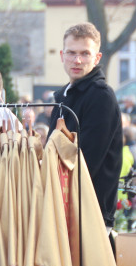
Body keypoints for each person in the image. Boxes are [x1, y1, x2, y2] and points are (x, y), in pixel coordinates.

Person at [51, 23, 123, 227]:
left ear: (97, 58)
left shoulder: (101, 97)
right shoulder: (62, 96)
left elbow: (86, 161)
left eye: (85, 53)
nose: (77, 60)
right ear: (61, 55)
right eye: (71, 53)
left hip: (91, 212)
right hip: (64, 206)